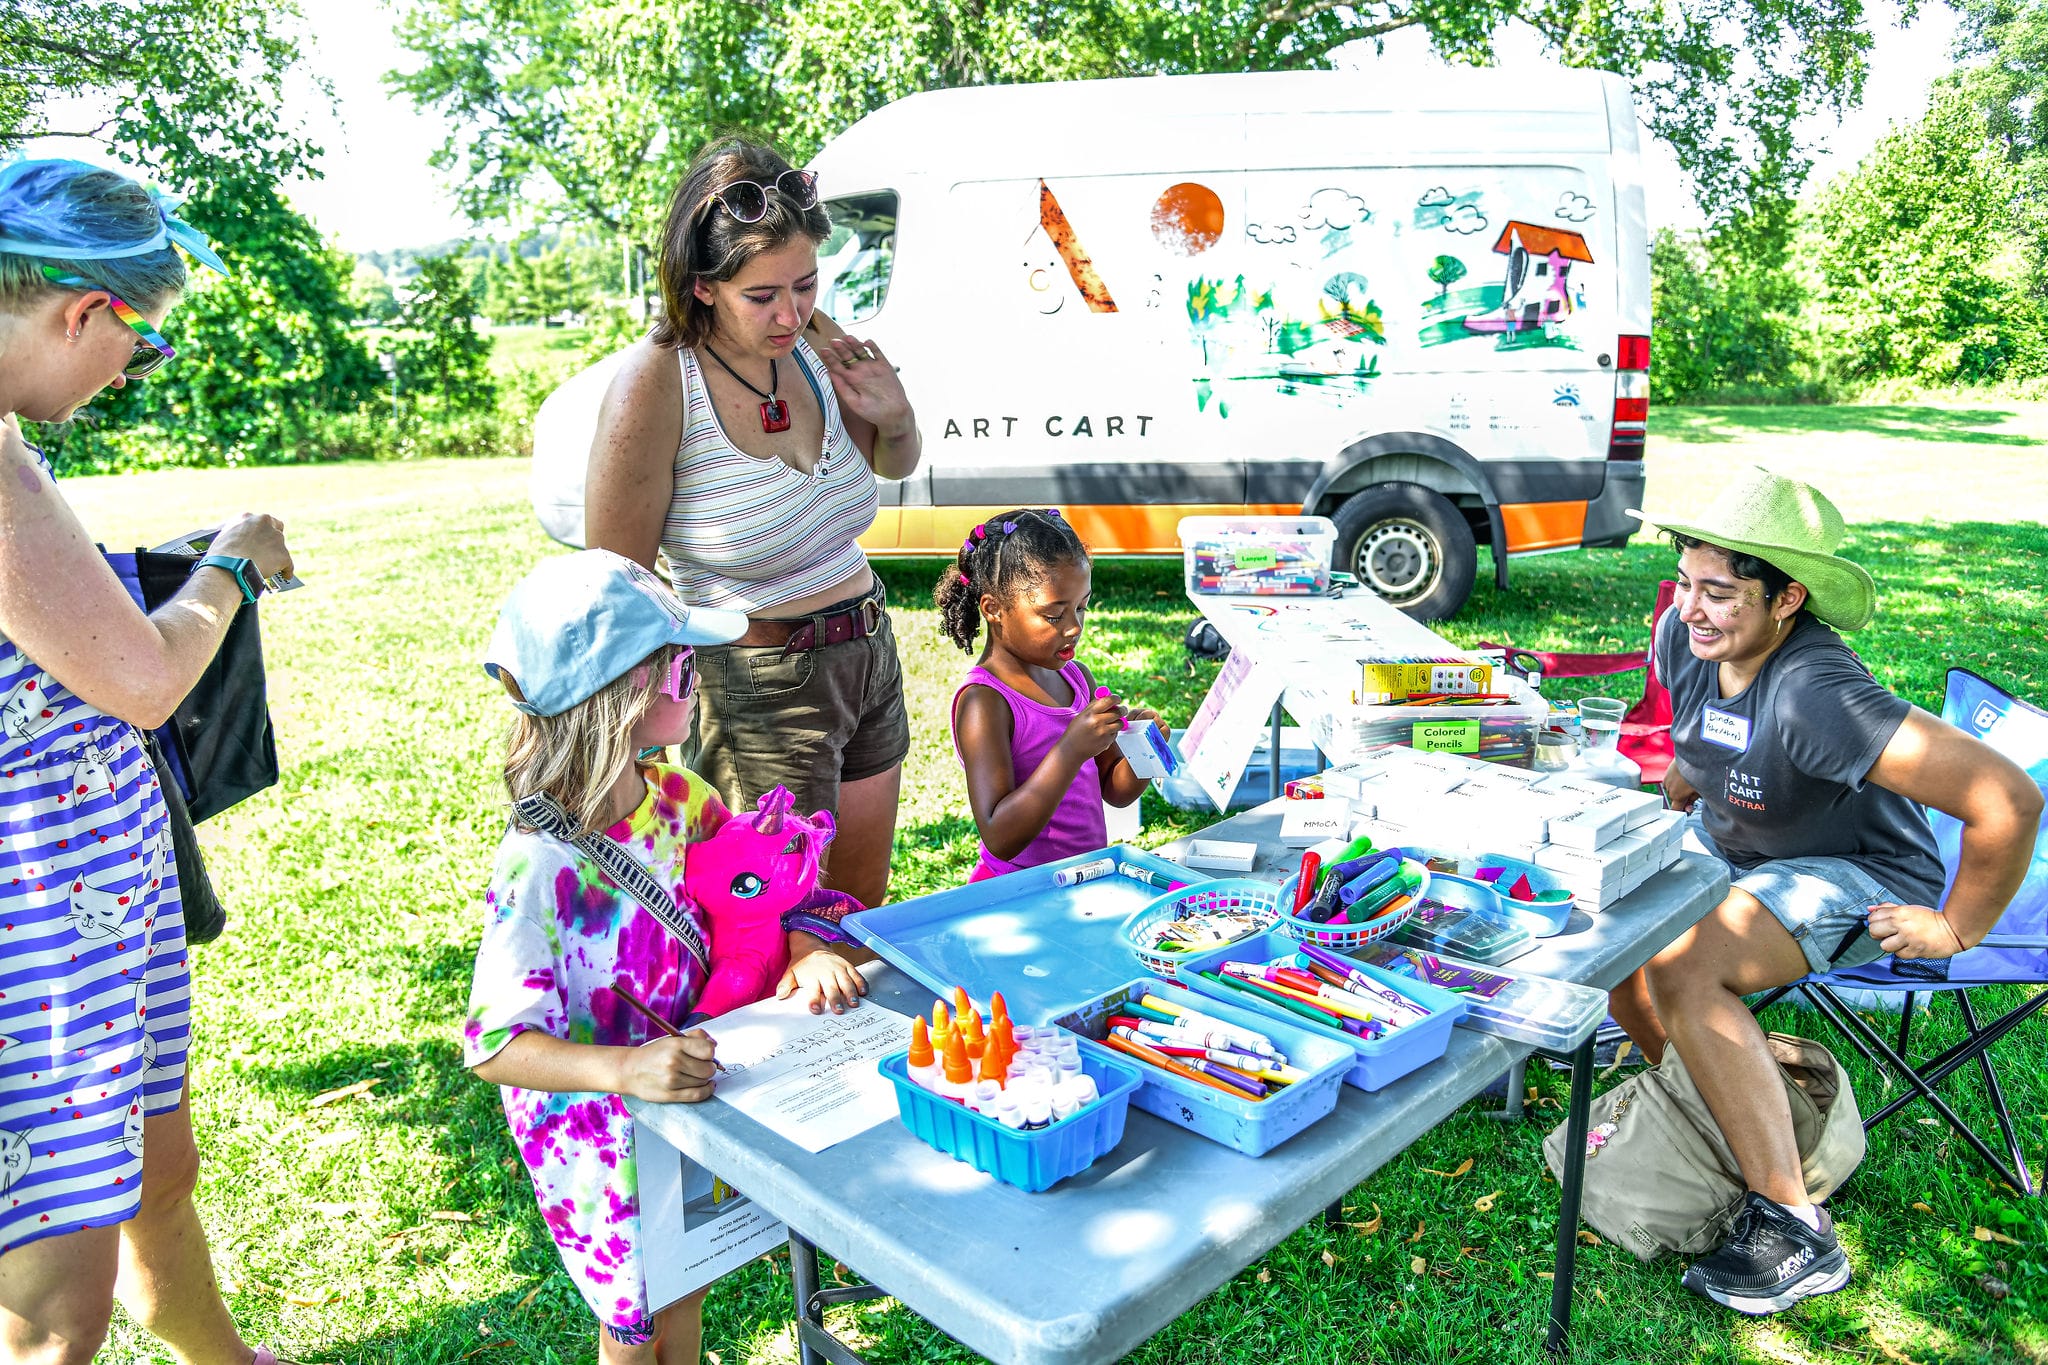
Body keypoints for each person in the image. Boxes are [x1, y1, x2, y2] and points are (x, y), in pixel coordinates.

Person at [1605, 466, 2041, 1317]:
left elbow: (2006, 799)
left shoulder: (1820, 694)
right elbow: (1704, 733)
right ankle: (1697, 1115)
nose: (1692, 608)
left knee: (1689, 964)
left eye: (1721, 593)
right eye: (1688, 582)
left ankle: (1797, 1230)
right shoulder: (1681, 633)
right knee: (1624, 922)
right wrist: (1687, 782)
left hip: (1860, 876)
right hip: (1745, 852)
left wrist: (1957, 926)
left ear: (1786, 599)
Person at [0, 158, 298, 1365]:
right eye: (143, 346)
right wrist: (230, 563)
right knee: (50, 1312)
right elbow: (137, 678)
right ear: (86, 313)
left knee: (152, 1167)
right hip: (32, 933)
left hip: (89, 904)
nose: (132, 372)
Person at [463, 550, 867, 1365]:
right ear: (617, 695)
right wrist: (624, 1070)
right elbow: (496, 1047)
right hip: (598, 1132)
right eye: (680, 662)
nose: (696, 675)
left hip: (685, 1089)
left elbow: (755, 896)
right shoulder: (539, 865)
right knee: (632, 1317)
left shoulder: (685, 797)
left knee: (685, 1275)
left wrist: (802, 943)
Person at [585, 136, 920, 914]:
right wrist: (634, 745)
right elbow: (613, 585)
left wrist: (896, 415)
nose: (792, 312)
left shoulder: (812, 339)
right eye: (761, 295)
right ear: (702, 287)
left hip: (867, 654)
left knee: (857, 918)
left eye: (805, 284)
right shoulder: (657, 382)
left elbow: (888, 461)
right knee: (775, 933)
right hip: (758, 687)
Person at [937, 509, 1166, 880]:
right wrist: (1072, 749)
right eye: (1054, 615)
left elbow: (1114, 791)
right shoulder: (985, 702)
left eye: (1081, 607)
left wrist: (1146, 746)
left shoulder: (1077, 679)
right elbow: (1000, 836)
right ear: (994, 609)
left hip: (1082, 880)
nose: (1074, 627)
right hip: (1017, 893)